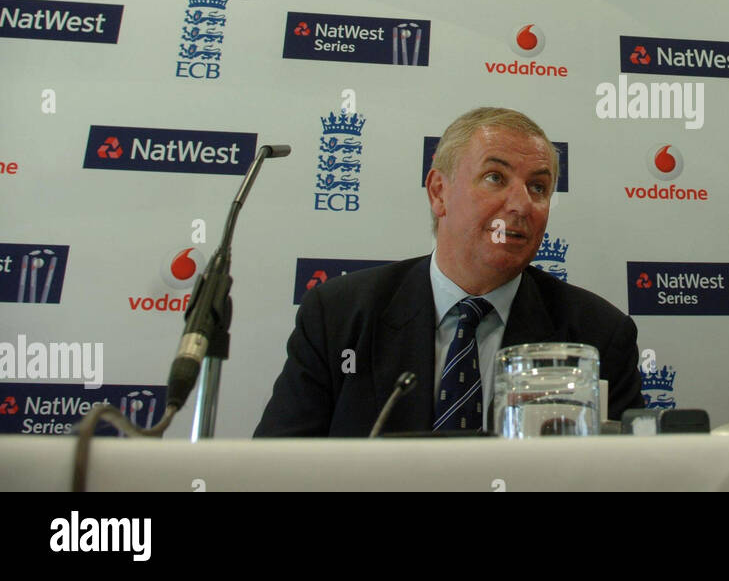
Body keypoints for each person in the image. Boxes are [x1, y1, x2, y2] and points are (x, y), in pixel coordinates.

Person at [255, 107, 644, 437]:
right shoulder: (338, 315)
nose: (522, 204)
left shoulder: (598, 335)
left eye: (538, 187)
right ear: (438, 192)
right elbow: (275, 470)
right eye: (496, 178)